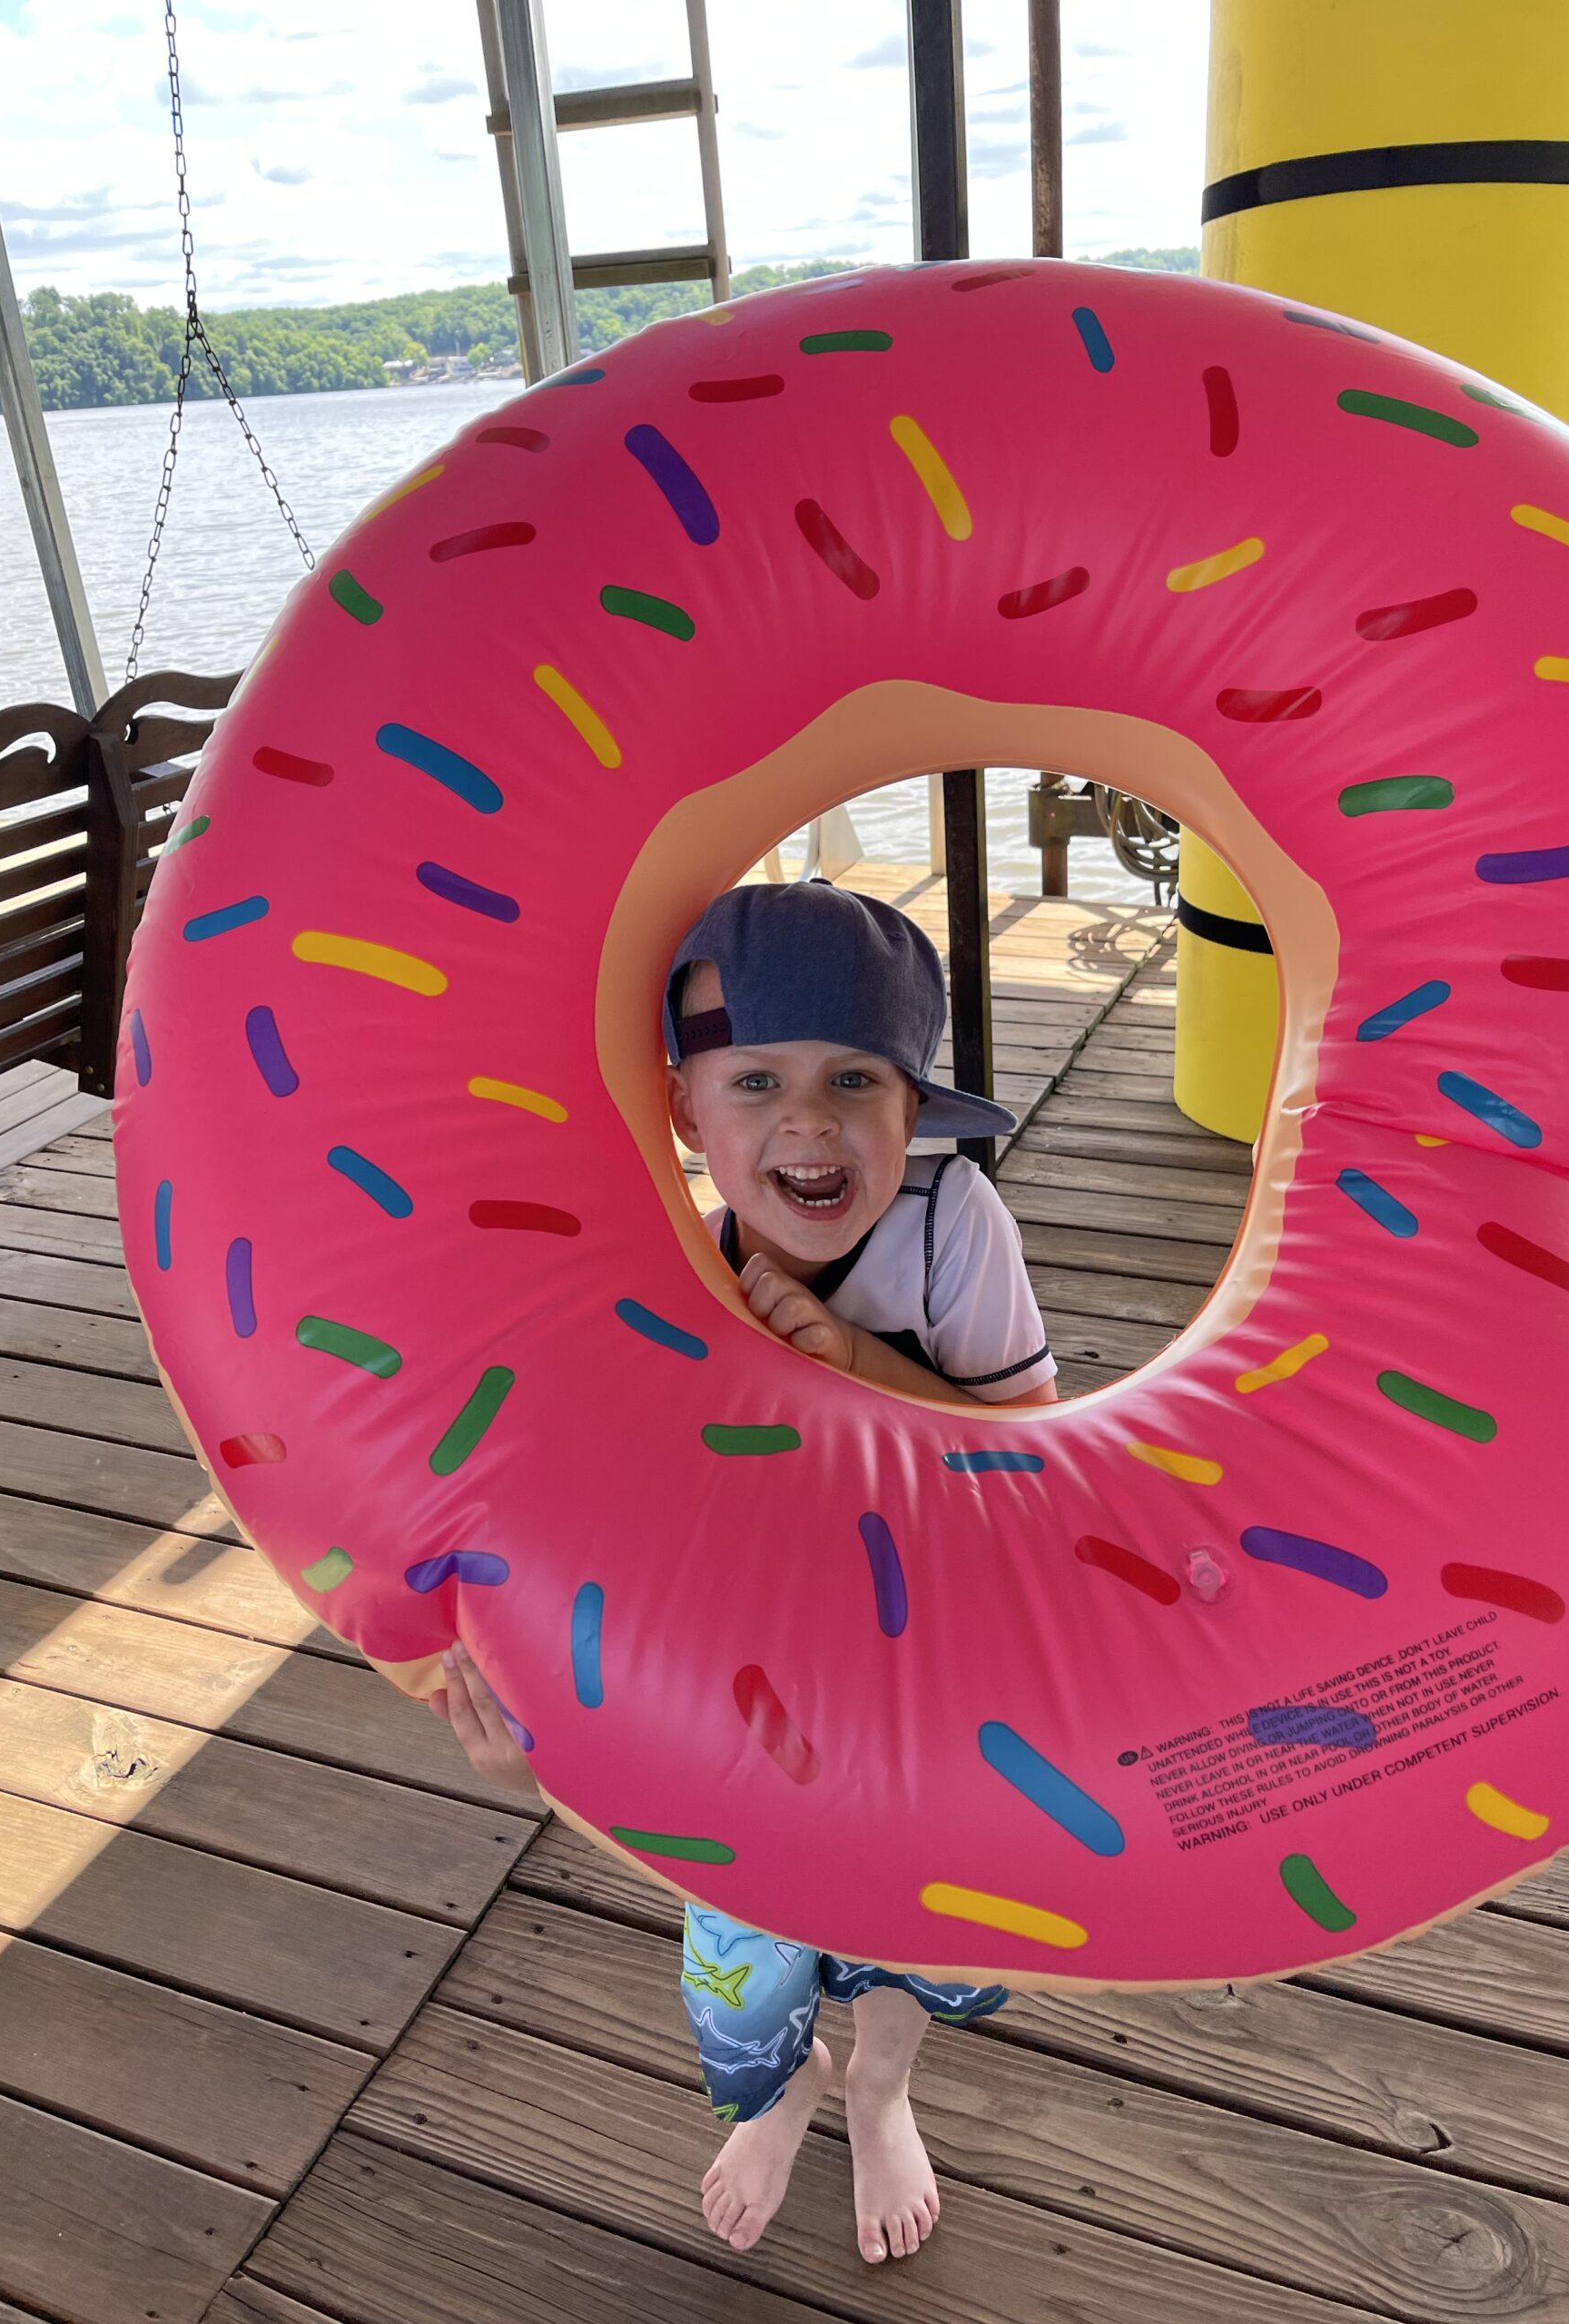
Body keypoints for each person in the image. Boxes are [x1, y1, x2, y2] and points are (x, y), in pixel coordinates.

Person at [433, 880, 1058, 2267]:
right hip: (750, 1692)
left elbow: (1035, 1462)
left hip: (940, 1667)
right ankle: (783, 2092)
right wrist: (547, 1732)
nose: (809, 1122)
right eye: (758, 1080)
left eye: (856, 1080)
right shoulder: (654, 1257)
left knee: (925, 1924)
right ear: (684, 1111)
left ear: (915, 1108)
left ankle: (883, 2087)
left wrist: (854, 1370)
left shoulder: (955, 1227)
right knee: (747, 1943)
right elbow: (598, 1525)